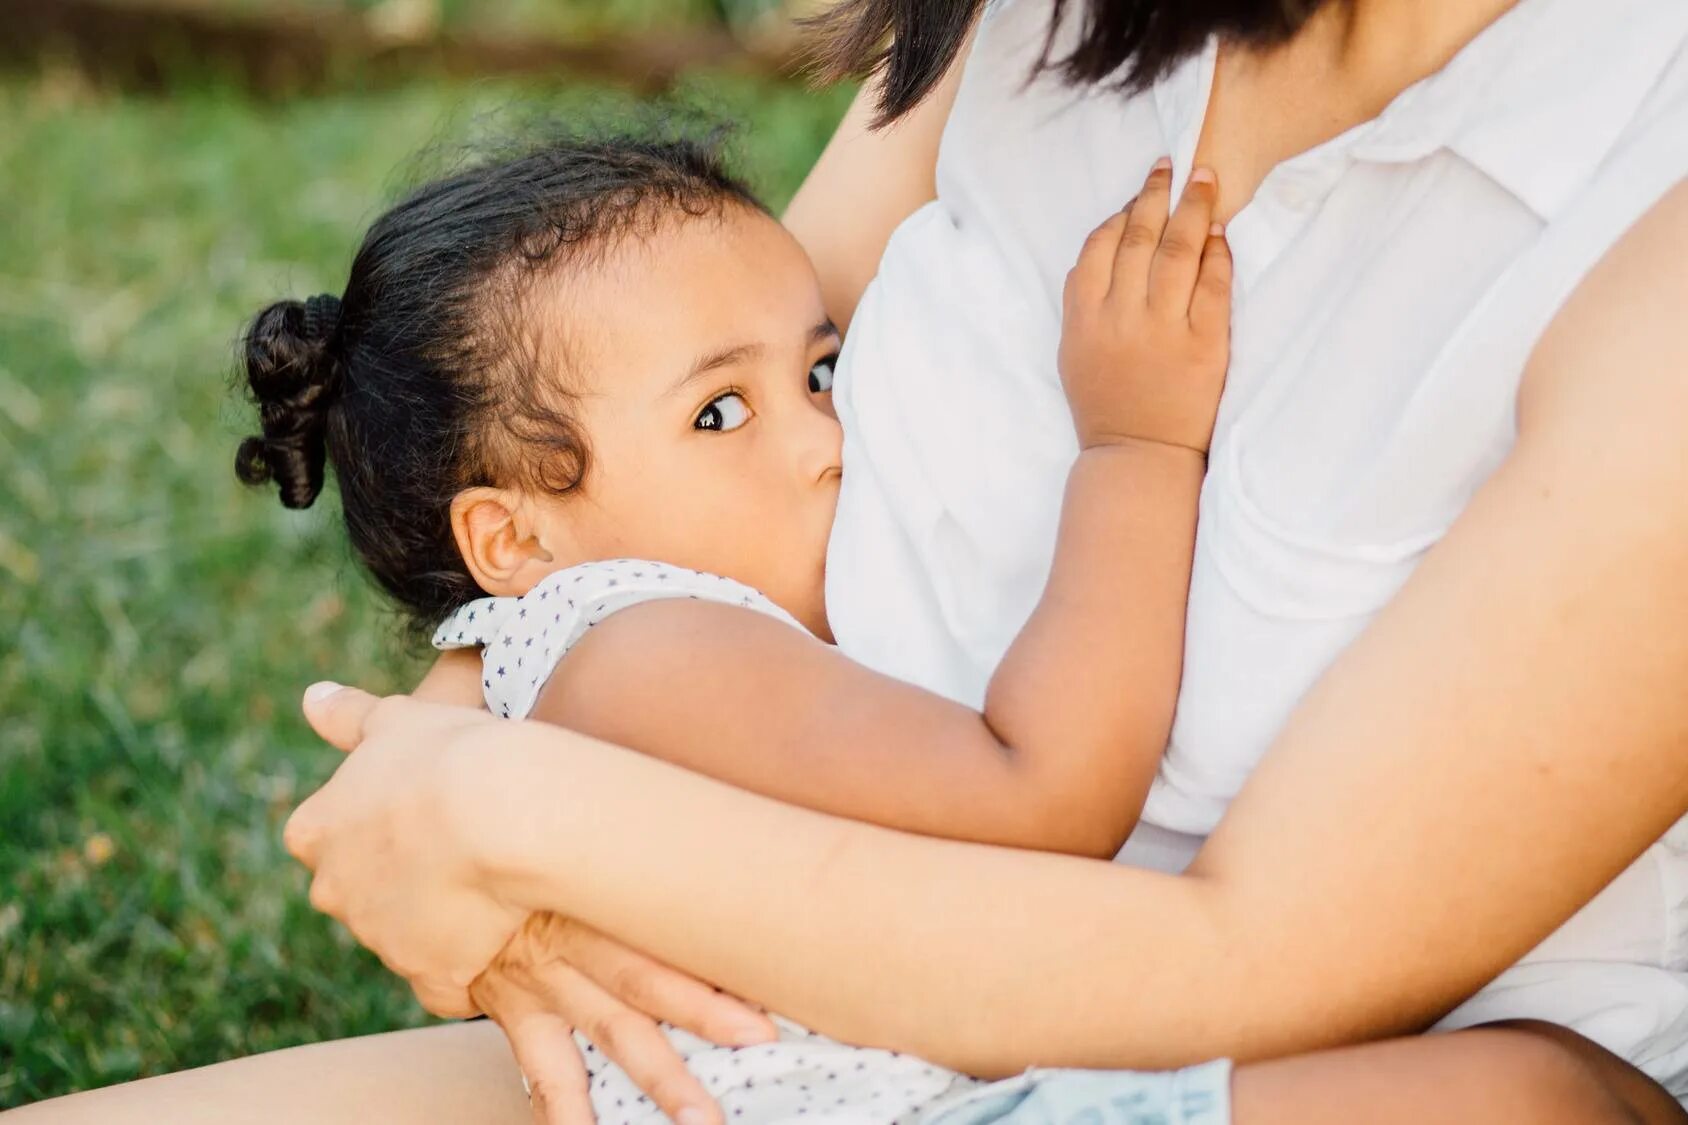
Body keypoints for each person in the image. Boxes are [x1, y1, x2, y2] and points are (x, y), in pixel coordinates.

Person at [11, 0, 1688, 1121]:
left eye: (819, 380)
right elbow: (627, 429)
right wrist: (468, 751)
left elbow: (1236, 955)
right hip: (813, 1065)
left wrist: (507, 811)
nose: (826, 425)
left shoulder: (1636, 182)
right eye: (761, 406)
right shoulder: (1052, 23)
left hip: (1206, 1056)